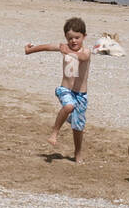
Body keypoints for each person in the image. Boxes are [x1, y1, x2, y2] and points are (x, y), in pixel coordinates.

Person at [26, 17, 92, 164]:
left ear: (84, 36)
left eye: (77, 37)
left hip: (81, 94)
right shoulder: (64, 47)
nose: (74, 41)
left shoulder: (86, 51)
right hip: (65, 90)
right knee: (68, 106)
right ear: (66, 38)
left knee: (78, 127)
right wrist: (29, 50)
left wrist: (67, 52)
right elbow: (47, 47)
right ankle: (54, 132)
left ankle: (78, 152)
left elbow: (82, 57)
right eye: (70, 38)